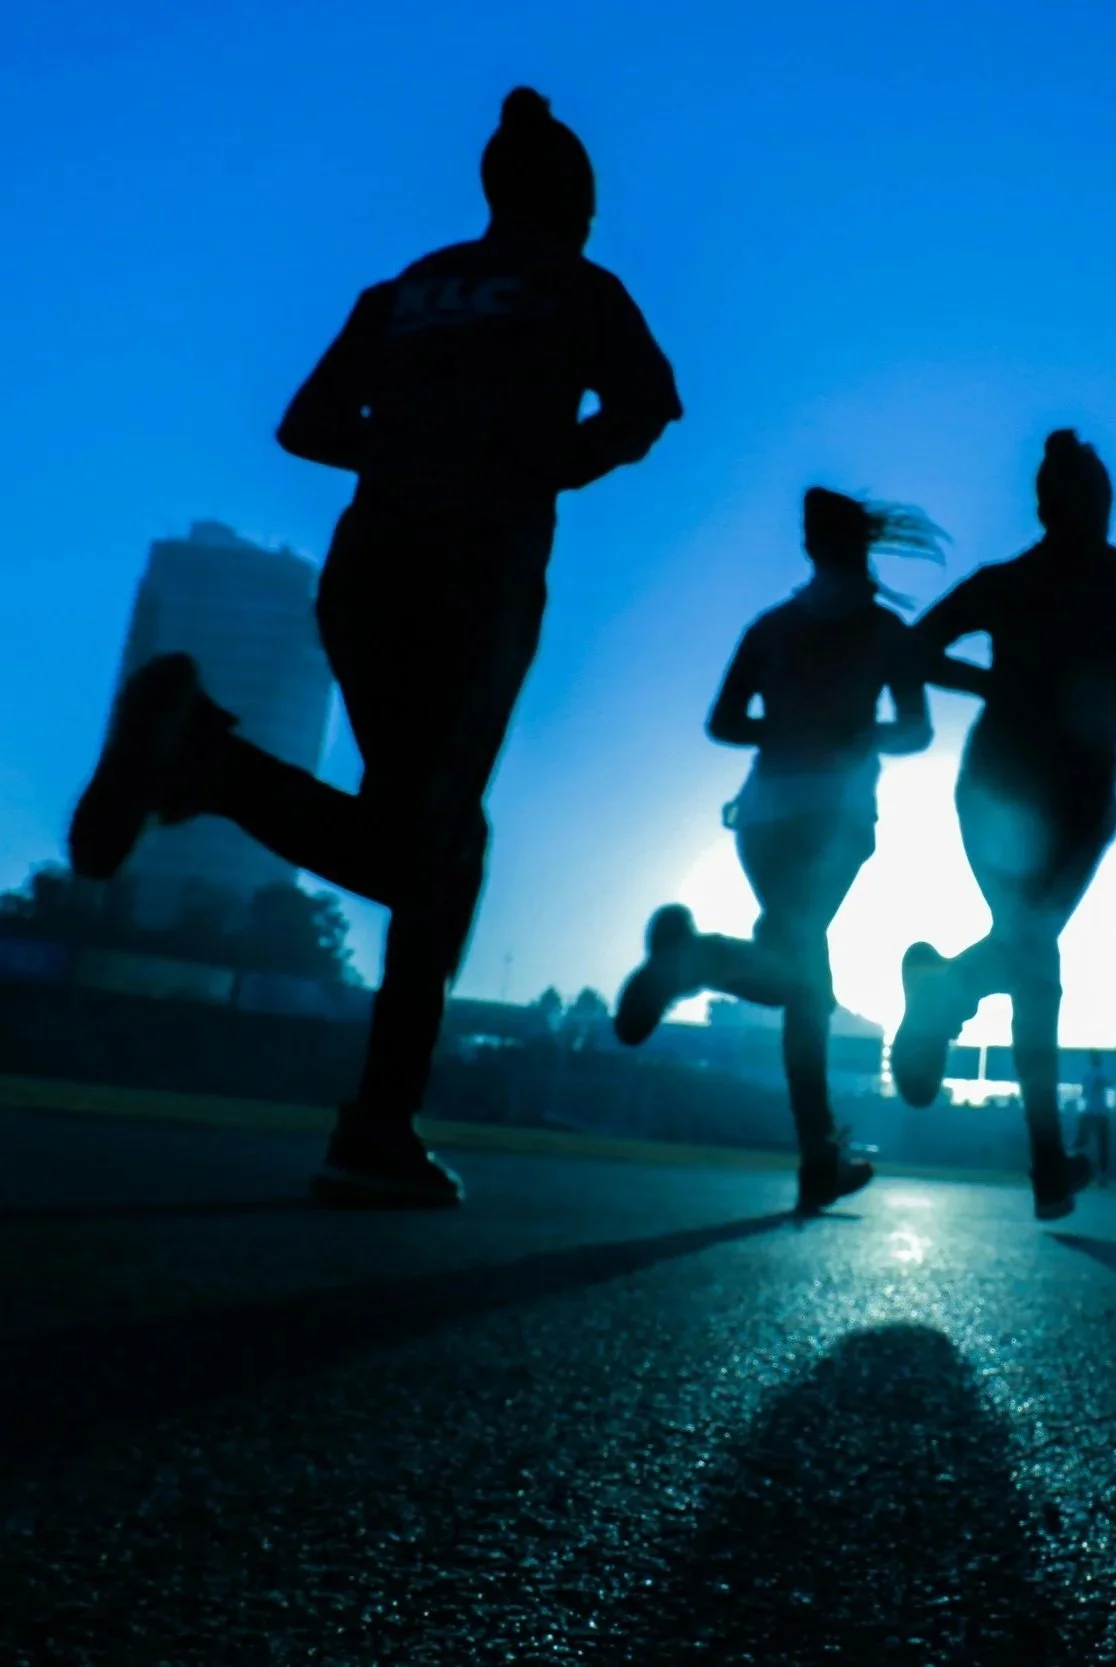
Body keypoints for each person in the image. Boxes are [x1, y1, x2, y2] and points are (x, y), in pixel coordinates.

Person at [68, 88, 683, 1209]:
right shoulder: (577, 287)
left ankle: (376, 1116)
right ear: (576, 203)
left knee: (432, 835)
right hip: (476, 571)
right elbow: (649, 407)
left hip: (368, 567)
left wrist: (406, 448)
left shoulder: (402, 291)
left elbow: (303, 425)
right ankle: (370, 1114)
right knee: (436, 843)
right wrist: (533, 462)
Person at [613, 488, 942, 1212]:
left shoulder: (772, 628)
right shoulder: (886, 633)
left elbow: (724, 722)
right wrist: (852, 736)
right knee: (806, 984)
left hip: (762, 820)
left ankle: (818, 1149)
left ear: (809, 549)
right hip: (835, 822)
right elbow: (917, 732)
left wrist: (787, 730)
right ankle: (696, 963)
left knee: (805, 980)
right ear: (861, 547)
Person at [890, 429, 1116, 1220]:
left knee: (1031, 957)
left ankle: (944, 999)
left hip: (1031, 801)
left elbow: (914, 652)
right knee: (1034, 959)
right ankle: (1043, 1162)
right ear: (1087, 506)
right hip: (1052, 804)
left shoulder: (1017, 583)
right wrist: (1077, 691)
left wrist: (1008, 683)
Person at [1076, 1048, 1112, 1185]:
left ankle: (1078, 1172)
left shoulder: (1086, 1076)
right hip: (1101, 1113)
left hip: (1089, 1112)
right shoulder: (1102, 1074)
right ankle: (1102, 1175)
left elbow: (1084, 1095)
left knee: (1082, 1143)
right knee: (1103, 1145)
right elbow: (1106, 1084)